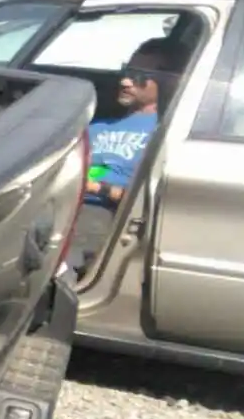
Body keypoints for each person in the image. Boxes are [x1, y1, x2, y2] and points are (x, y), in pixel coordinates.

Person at [64, 36, 183, 275]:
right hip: (66, 203)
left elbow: (150, 201)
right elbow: (91, 167)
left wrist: (97, 187)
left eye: (139, 76)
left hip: (105, 216)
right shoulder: (98, 124)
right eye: (127, 71)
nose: (126, 81)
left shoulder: (163, 134)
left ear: (164, 82)